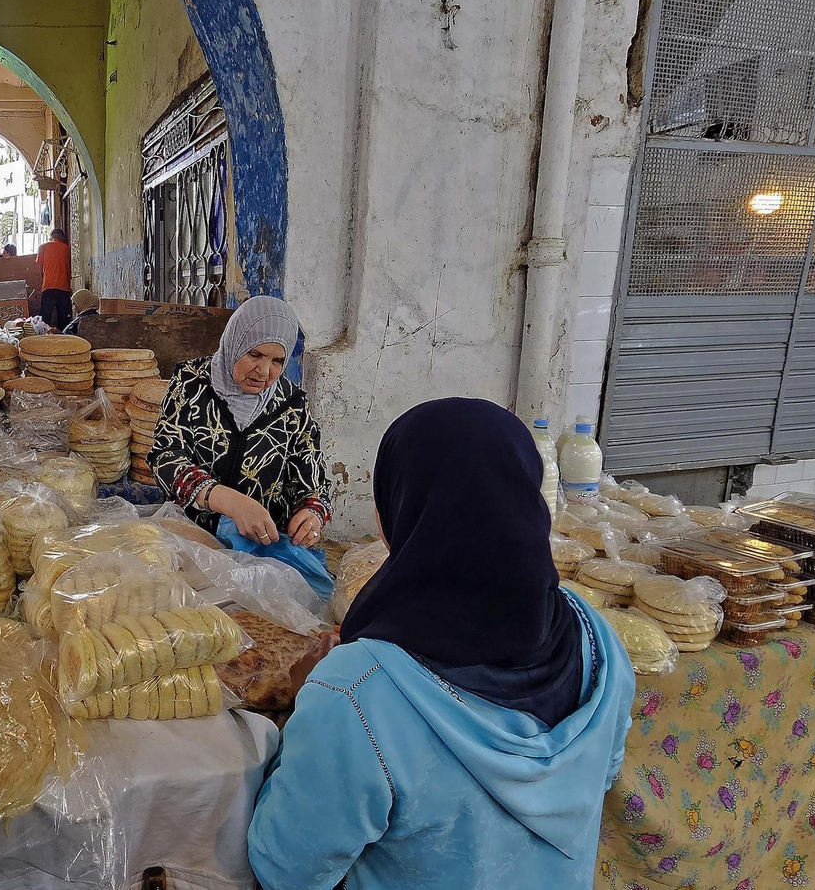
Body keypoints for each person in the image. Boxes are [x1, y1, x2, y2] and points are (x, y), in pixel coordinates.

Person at [247, 398, 635, 890]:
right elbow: (600, 776)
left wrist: (308, 704)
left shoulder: (356, 695)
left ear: (395, 517)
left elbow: (286, 870)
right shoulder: (598, 642)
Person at [147, 295, 333, 597]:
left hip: (261, 555)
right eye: (255, 354)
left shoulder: (293, 405)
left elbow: (314, 485)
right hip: (191, 544)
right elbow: (165, 458)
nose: (264, 371)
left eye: (277, 361)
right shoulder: (192, 384)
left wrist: (311, 515)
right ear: (235, 342)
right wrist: (228, 501)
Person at [37, 228, 73, 330]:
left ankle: (43, 340)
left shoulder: (42, 247)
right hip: (64, 288)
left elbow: (40, 270)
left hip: (48, 287)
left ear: (51, 237)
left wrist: (44, 282)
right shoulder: (67, 249)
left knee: (45, 319)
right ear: (62, 238)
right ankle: (63, 340)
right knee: (63, 320)